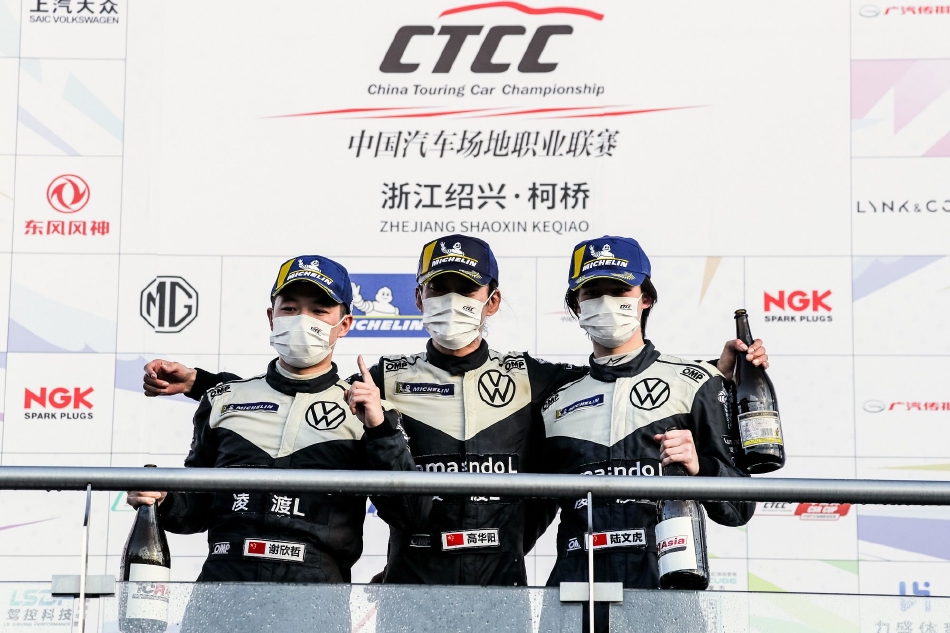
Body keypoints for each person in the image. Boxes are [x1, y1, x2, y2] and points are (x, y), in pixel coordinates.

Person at [142, 236, 768, 589]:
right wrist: (206, 384)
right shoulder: (382, 379)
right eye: (437, 289)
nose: (451, 302)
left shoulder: (537, 379)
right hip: (411, 574)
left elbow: (620, 378)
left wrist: (715, 376)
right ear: (417, 298)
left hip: (503, 579)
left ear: (491, 301)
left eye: (465, 290)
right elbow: (301, 389)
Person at [127, 255, 429, 585]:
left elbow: (410, 515)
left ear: (344, 325)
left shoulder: (370, 413)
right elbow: (195, 510)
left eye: (319, 311)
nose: (302, 320)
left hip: (315, 593)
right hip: (223, 584)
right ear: (272, 317)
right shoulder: (222, 399)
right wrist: (164, 498)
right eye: (290, 308)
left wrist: (380, 430)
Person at [537, 236, 756, 632]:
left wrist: (700, 468)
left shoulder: (696, 382)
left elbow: (739, 509)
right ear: (576, 304)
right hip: (574, 588)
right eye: (593, 293)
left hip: (663, 586)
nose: (606, 302)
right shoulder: (554, 397)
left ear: (646, 298)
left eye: (619, 289)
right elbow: (526, 514)